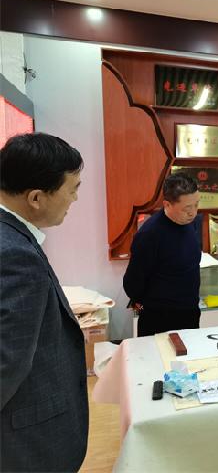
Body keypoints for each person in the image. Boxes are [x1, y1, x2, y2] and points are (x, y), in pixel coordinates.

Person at [0, 133, 88, 471]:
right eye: (72, 189)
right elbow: (6, 362)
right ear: (36, 197)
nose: (74, 199)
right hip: (27, 441)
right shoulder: (15, 254)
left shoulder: (12, 238)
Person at [123, 172, 202, 336]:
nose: (193, 213)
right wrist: (146, 306)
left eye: (196, 205)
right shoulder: (150, 234)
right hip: (158, 317)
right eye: (187, 208)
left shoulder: (191, 222)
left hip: (190, 311)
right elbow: (133, 283)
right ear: (167, 204)